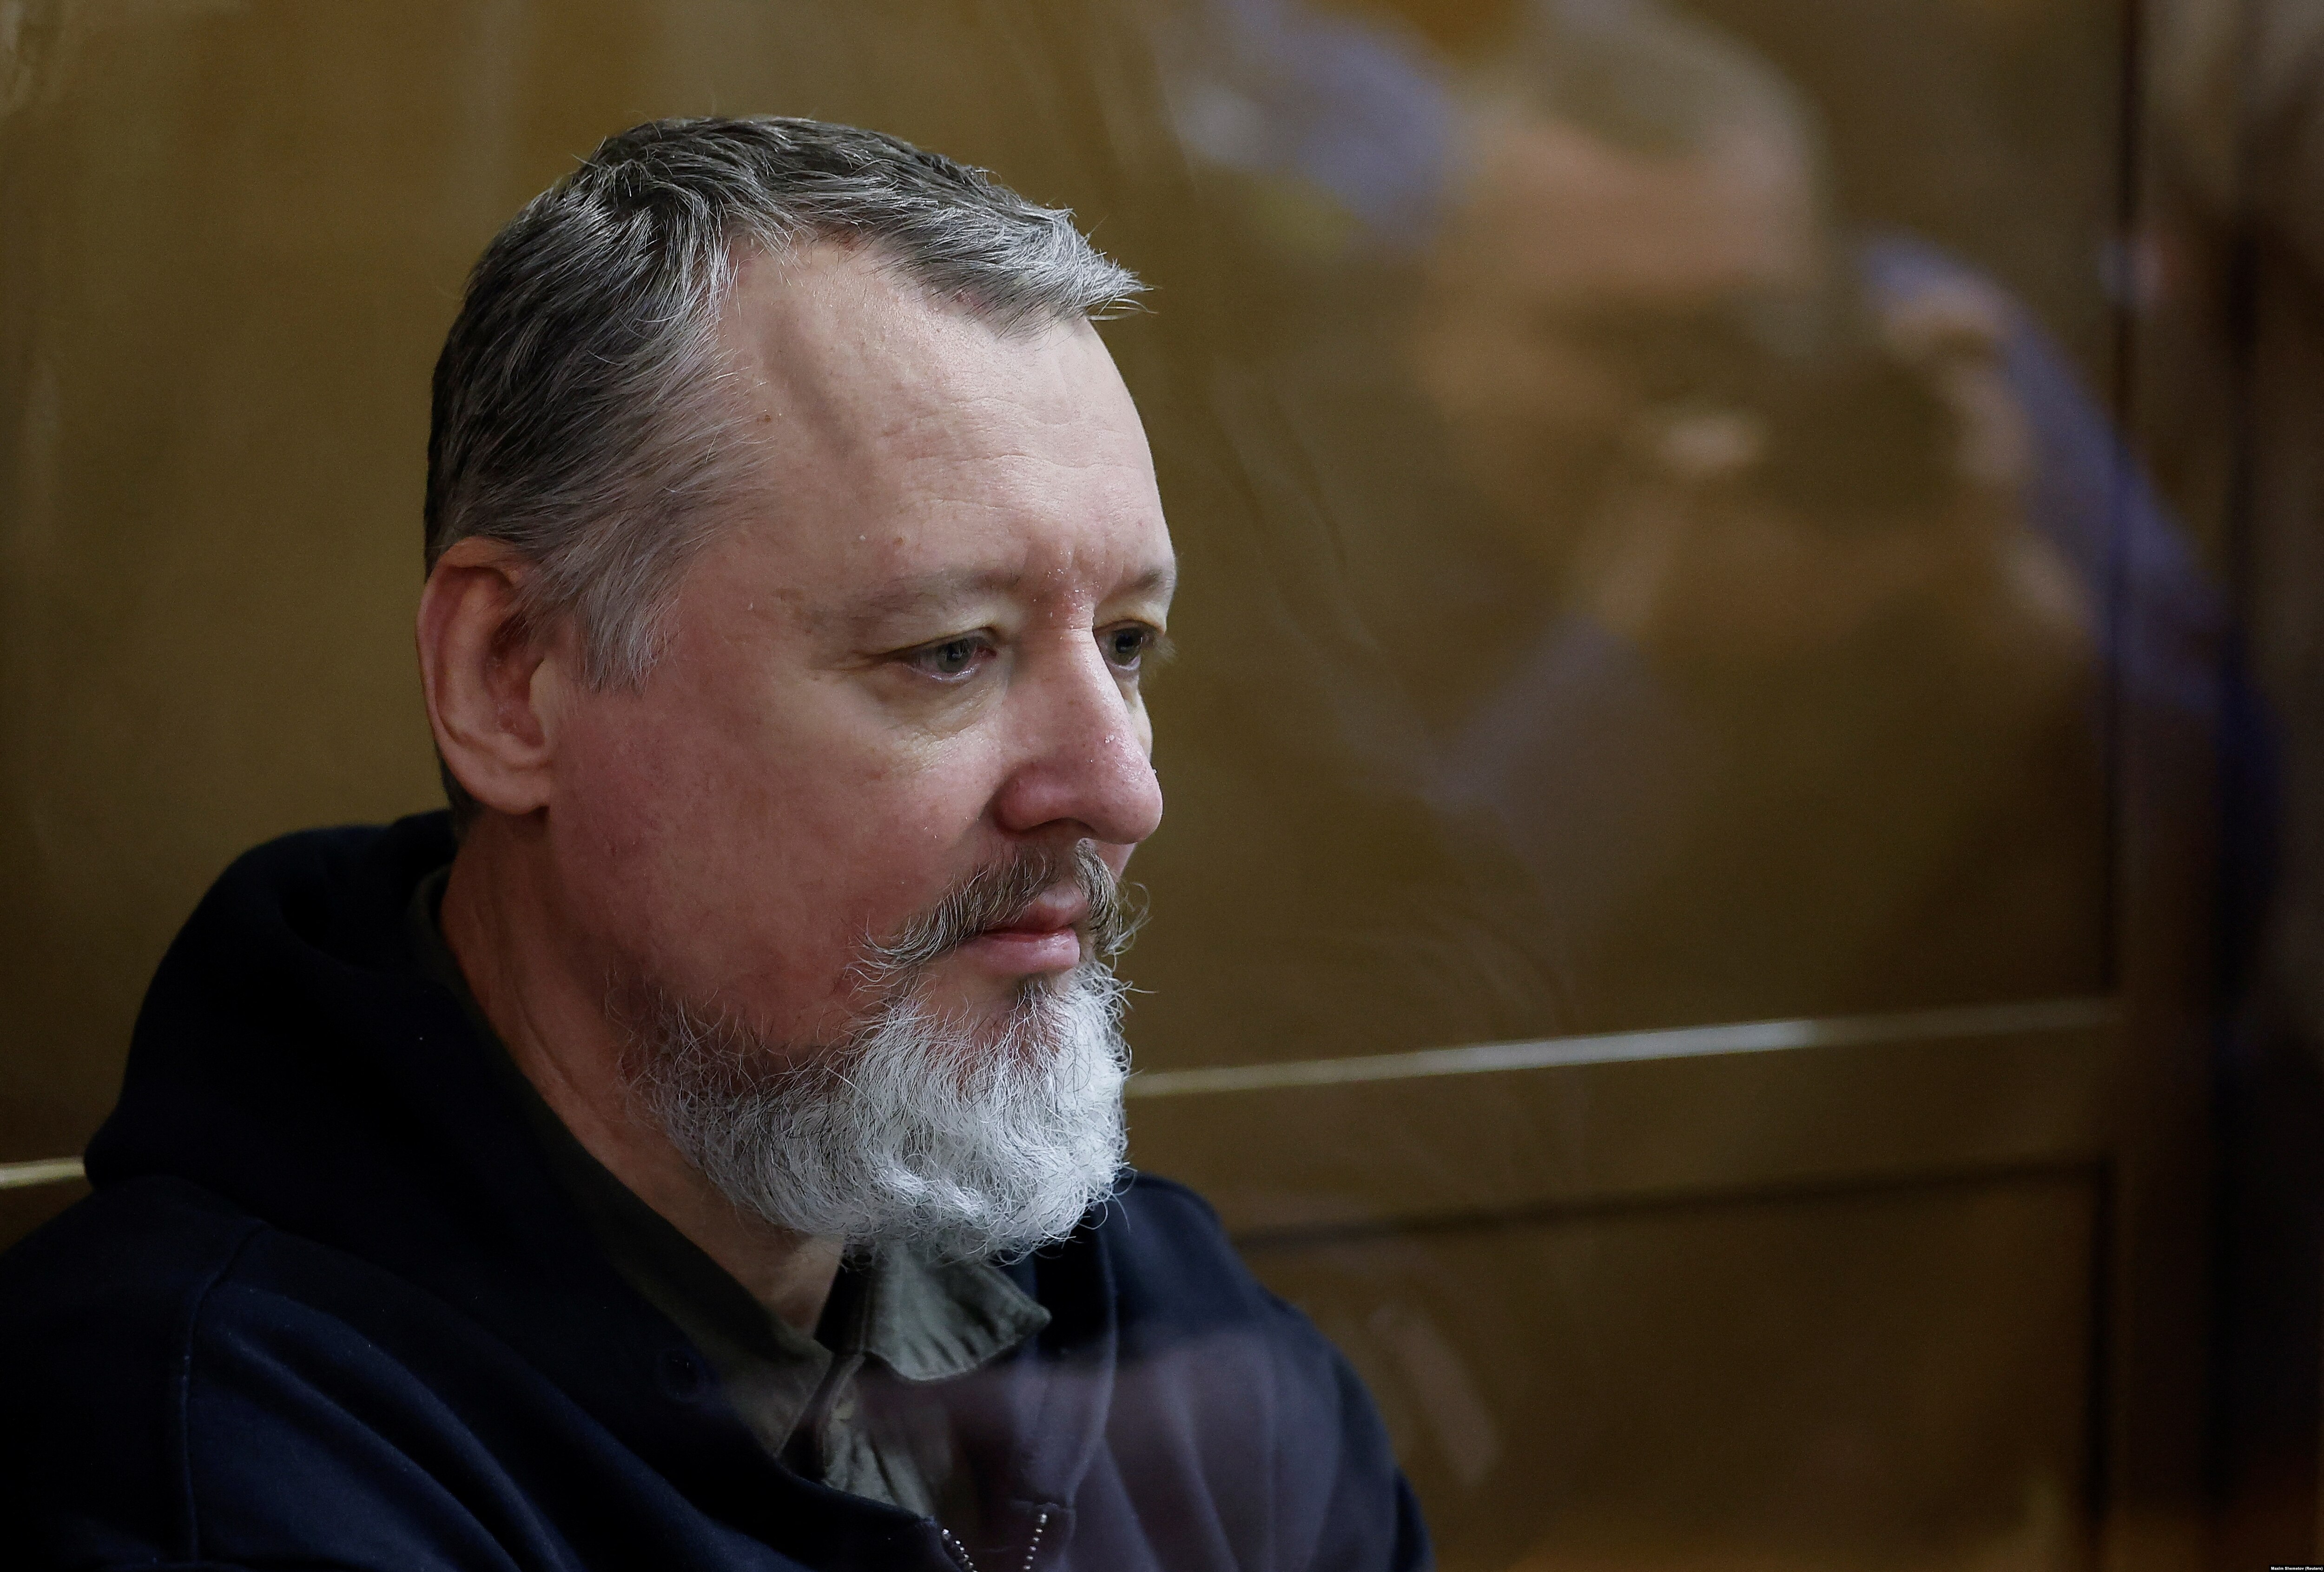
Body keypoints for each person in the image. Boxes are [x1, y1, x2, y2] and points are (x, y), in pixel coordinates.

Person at [0, 118, 1424, 1572]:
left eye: (1125, 643)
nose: (1121, 788)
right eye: (948, 651)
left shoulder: (1164, 1322)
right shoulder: (205, 1459)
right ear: (511, 678)